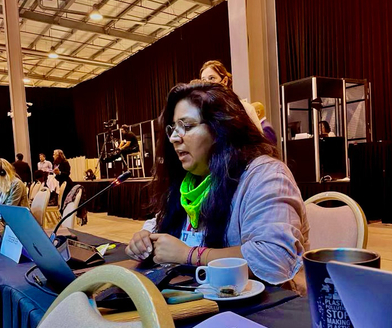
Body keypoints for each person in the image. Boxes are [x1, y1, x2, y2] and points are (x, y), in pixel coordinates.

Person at [126, 82, 309, 288]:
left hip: (266, 306)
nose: (174, 138)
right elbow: (161, 224)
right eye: (173, 129)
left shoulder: (265, 175)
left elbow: (273, 258)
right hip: (207, 298)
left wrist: (189, 255)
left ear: (221, 129)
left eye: (186, 126)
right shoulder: (190, 180)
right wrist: (145, 239)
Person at [199, 60, 263, 132]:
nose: (207, 83)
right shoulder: (199, 112)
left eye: (212, 78)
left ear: (224, 81)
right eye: (203, 80)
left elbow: (259, 141)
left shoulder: (246, 109)